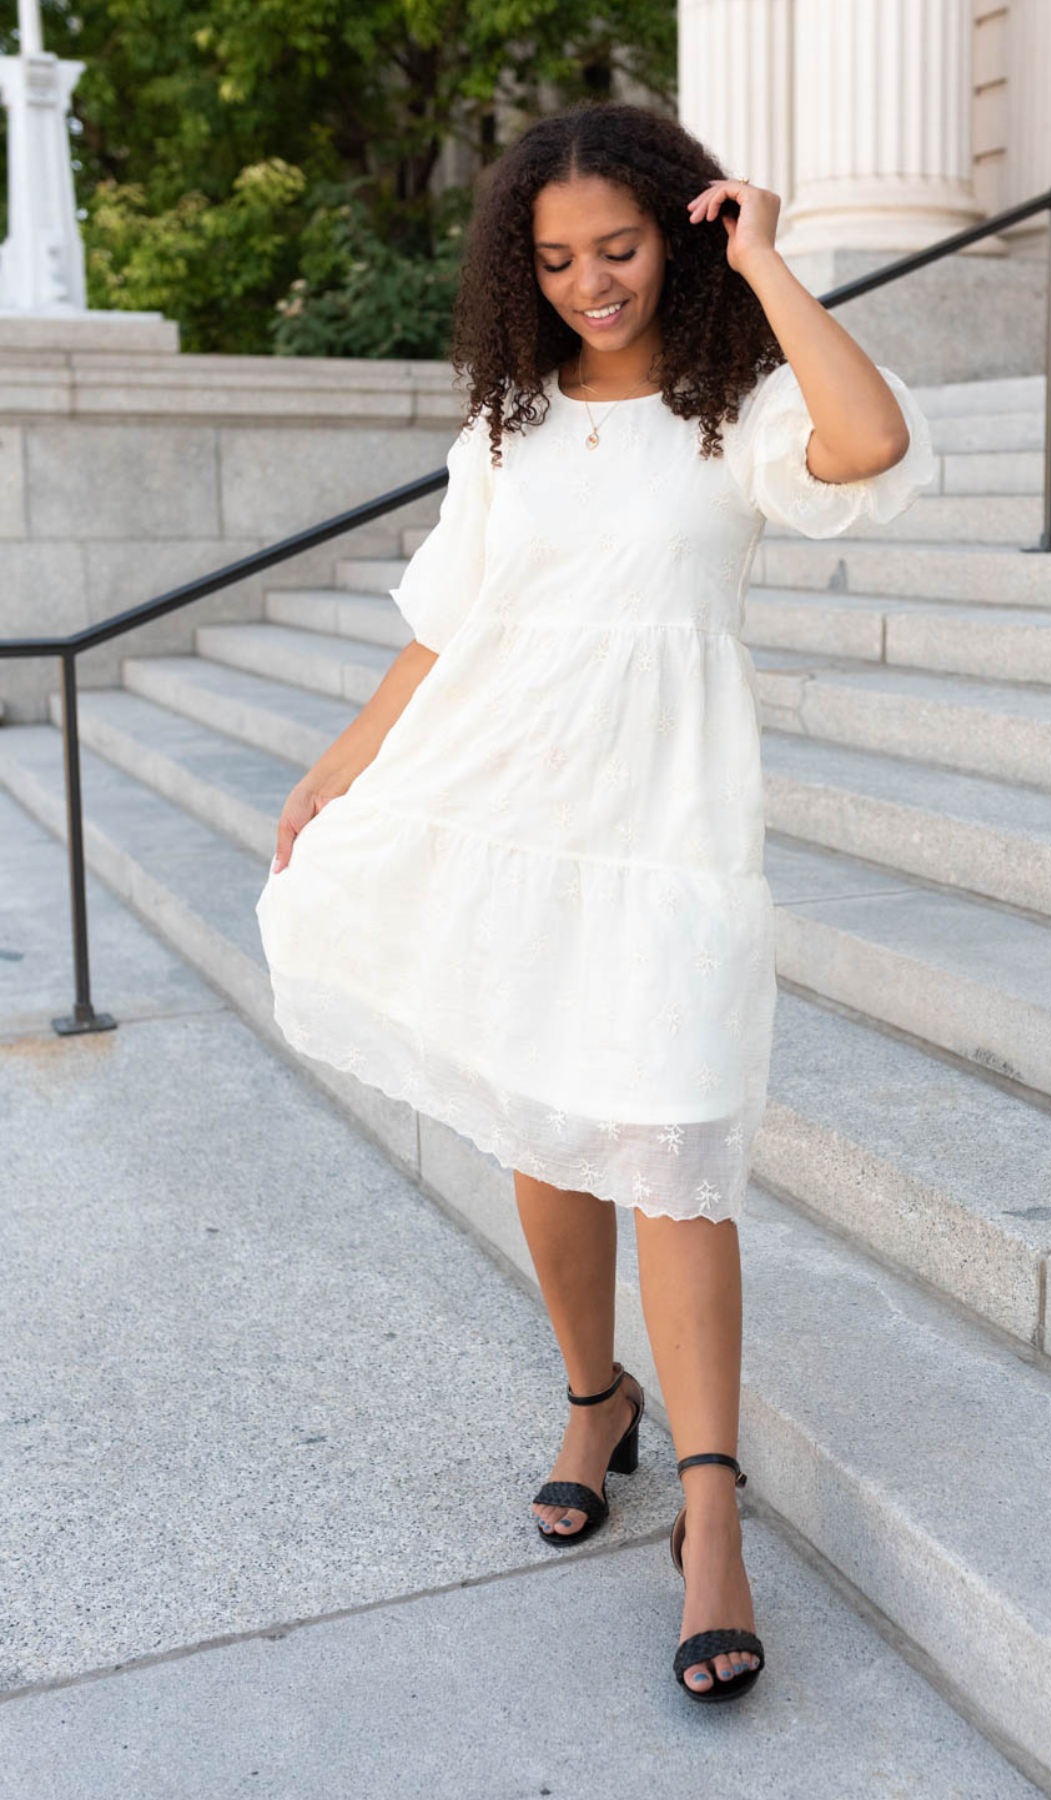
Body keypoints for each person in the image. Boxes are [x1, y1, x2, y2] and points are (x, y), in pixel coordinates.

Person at [255, 98, 934, 1704]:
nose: (587, 284)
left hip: (668, 829)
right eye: (553, 259)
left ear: (677, 232)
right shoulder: (509, 426)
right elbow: (443, 621)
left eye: (617, 248)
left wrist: (767, 263)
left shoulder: (740, 408)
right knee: (544, 1132)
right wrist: (341, 762)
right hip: (505, 800)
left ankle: (711, 1522)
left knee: (679, 1153)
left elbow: (872, 445)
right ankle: (590, 1396)